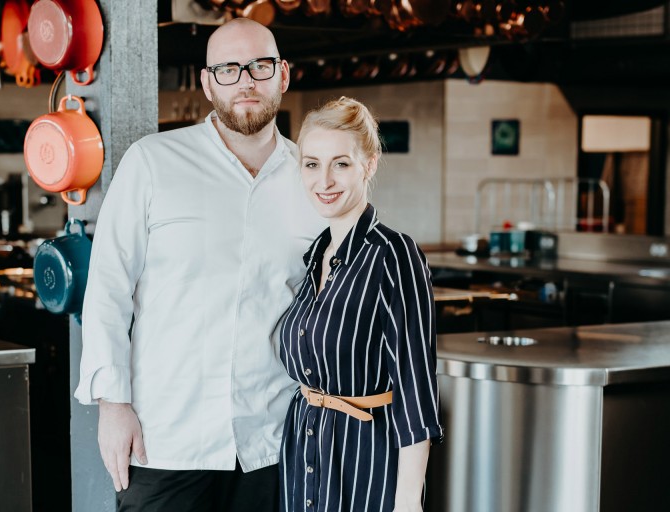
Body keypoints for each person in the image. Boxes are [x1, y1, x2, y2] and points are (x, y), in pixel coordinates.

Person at [74, 18, 325, 512]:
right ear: (208, 83)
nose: (246, 81)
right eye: (229, 69)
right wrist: (112, 405)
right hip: (166, 437)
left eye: (260, 66)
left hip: (272, 440)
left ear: (284, 75)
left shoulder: (310, 180)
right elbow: (107, 288)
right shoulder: (153, 162)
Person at [278, 97, 443, 512]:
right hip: (304, 456)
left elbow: (416, 390)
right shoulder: (315, 253)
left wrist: (408, 500)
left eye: (342, 164)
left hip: (365, 460)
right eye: (312, 164)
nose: (324, 180)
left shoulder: (394, 254)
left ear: (369, 165)